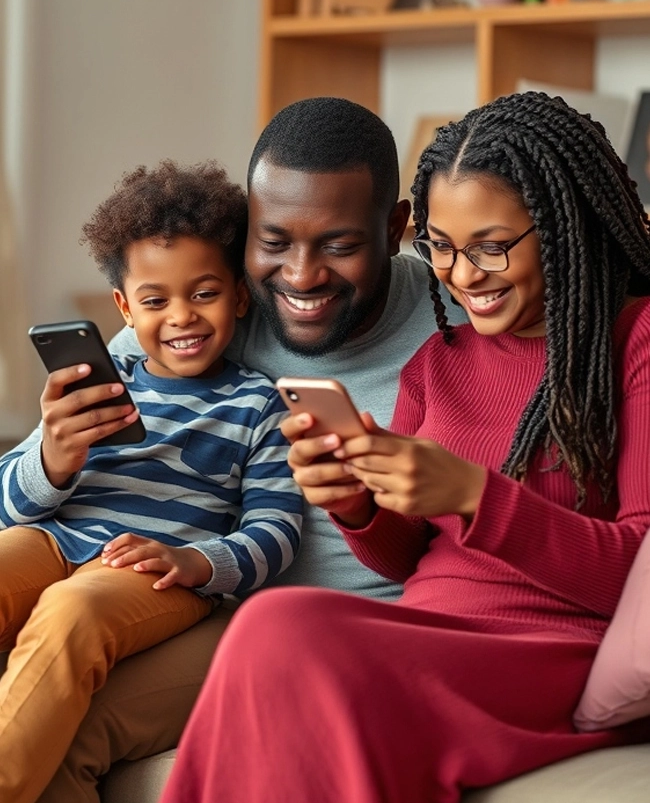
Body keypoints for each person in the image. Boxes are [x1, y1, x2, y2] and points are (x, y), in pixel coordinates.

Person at [158, 91, 650, 803]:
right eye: (442, 248)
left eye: (490, 246)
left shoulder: (633, 344)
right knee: (275, 621)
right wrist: (357, 500)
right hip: (426, 625)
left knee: (281, 631)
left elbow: (638, 569)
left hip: (549, 647)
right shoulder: (440, 360)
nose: (462, 275)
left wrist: (477, 496)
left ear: (563, 226)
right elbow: (407, 555)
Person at [33, 97, 466, 803]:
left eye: (338, 244)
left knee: (75, 727)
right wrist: (54, 454)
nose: (300, 276)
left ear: (395, 230)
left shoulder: (454, 326)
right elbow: (52, 479)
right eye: (274, 241)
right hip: (212, 607)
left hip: (349, 633)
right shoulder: (210, 311)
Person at [0, 159, 302, 803]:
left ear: (240, 295)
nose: (182, 317)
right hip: (57, 538)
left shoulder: (261, 405)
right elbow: (8, 502)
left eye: (204, 292)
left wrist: (195, 561)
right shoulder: (102, 383)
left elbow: (276, 530)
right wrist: (54, 456)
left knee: (72, 611)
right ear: (124, 308)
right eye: (155, 300)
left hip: (153, 569)